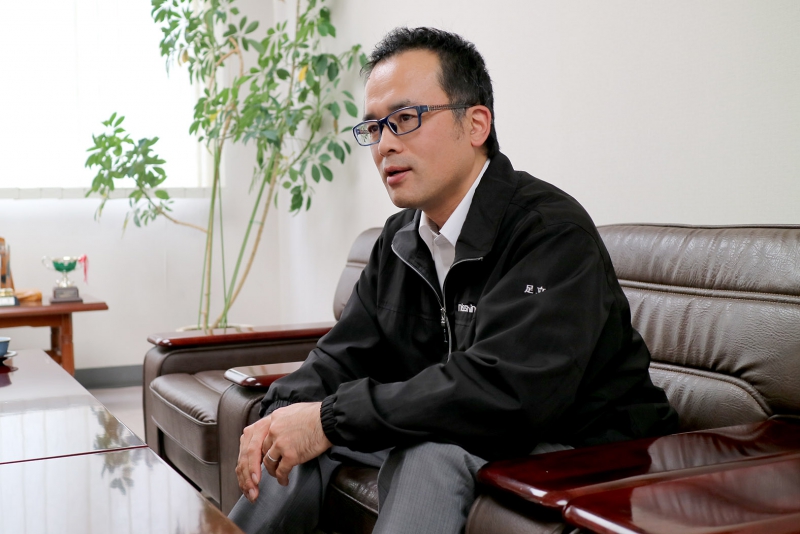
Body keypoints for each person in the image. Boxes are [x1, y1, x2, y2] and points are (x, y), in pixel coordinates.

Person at [229, 27, 678, 533]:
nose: (385, 144)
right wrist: (282, 414)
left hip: (586, 447)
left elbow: (505, 393)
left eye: (405, 119)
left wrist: (329, 419)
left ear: (476, 124)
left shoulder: (549, 232)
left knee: (429, 451)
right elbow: (342, 355)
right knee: (291, 442)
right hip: (464, 425)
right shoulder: (401, 238)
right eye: (374, 127)